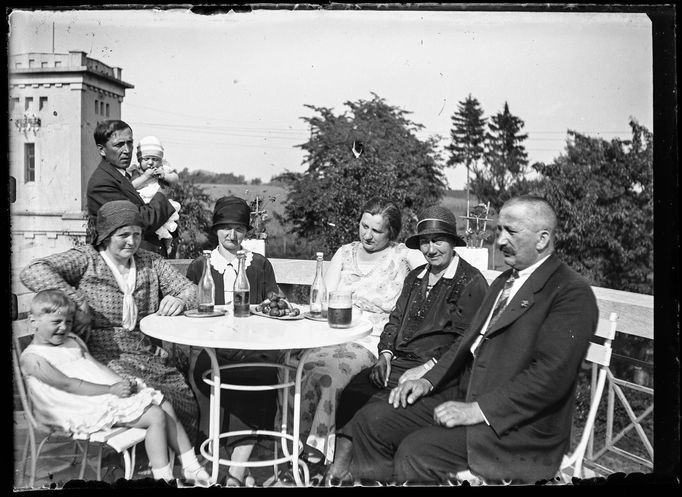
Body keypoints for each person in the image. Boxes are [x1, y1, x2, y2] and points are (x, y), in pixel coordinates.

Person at [349, 195, 599, 485]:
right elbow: (465, 343)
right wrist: (428, 380)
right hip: (461, 393)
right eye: (499, 231)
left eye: (511, 232)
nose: (500, 241)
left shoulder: (570, 292)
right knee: (371, 421)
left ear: (542, 239)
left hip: (514, 424)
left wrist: (477, 410)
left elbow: (549, 378)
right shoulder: (505, 282)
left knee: (416, 452)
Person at [323, 204, 489, 486]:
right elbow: (395, 319)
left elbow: (465, 343)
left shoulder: (470, 281)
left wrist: (427, 368)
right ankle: (342, 470)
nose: (431, 249)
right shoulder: (416, 277)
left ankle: (369, 475)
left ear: (453, 242)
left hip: (444, 375)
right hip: (401, 363)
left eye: (438, 241)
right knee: (356, 390)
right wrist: (385, 354)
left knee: (375, 414)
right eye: (425, 242)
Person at [20, 200, 201, 447]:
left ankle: (172, 462)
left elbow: (192, 290)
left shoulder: (150, 261)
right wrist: (75, 300)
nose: (132, 241)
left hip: (144, 352)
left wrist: (179, 298)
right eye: (123, 235)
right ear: (105, 236)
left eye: (137, 234)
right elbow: (33, 270)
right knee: (142, 395)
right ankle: (136, 462)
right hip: (100, 354)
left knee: (182, 396)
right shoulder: (88, 259)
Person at [276, 198, 424, 474]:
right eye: (363, 226)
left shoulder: (402, 256)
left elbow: (436, 267)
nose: (367, 235)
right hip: (333, 332)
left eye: (376, 231)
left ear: (391, 232)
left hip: (370, 338)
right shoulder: (345, 253)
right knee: (292, 367)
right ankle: (290, 450)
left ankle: (317, 456)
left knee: (330, 376)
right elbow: (320, 300)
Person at [20, 289, 210, 486]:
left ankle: (191, 465)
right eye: (55, 322)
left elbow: (96, 366)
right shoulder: (33, 359)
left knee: (163, 402)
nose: (63, 328)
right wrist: (111, 390)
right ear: (33, 320)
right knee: (155, 415)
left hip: (97, 392)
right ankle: (164, 477)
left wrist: (120, 384)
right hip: (72, 405)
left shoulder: (72, 341)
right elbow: (69, 385)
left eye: (68, 322)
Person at [185, 196, 282, 487]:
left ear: (246, 232)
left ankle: (235, 474)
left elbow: (274, 302)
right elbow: (190, 310)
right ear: (215, 230)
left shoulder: (259, 264)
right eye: (225, 228)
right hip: (212, 348)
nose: (232, 235)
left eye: (239, 228)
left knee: (263, 375)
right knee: (213, 374)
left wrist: (272, 303)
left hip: (252, 347)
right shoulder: (201, 265)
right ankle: (240, 471)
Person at [86, 120, 176, 257]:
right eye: (119, 145)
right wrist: (164, 192)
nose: (127, 150)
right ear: (102, 150)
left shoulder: (125, 175)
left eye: (130, 143)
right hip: (129, 264)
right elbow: (139, 220)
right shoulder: (102, 183)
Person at [128, 136, 181, 259]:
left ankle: (169, 244)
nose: (151, 162)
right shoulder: (135, 172)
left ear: (161, 160)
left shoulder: (164, 168)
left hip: (162, 204)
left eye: (155, 159)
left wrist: (164, 176)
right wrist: (146, 177)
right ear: (139, 159)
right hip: (145, 204)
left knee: (169, 225)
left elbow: (175, 179)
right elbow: (131, 186)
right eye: (146, 159)